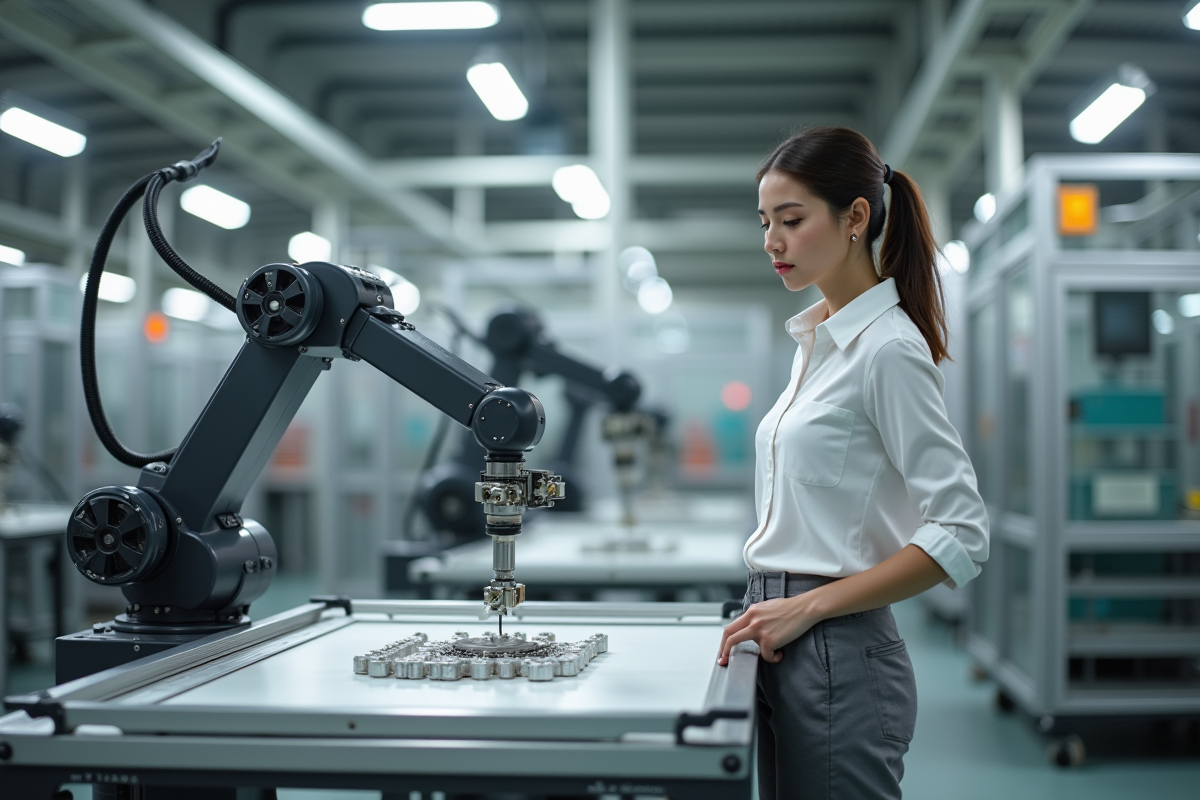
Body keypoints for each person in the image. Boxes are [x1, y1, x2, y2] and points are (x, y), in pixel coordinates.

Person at [716, 127, 990, 800]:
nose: (771, 242)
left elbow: (961, 532)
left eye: (792, 220)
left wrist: (809, 608)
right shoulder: (817, 344)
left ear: (855, 218)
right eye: (765, 223)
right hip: (782, 631)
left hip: (836, 651)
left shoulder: (887, 350)